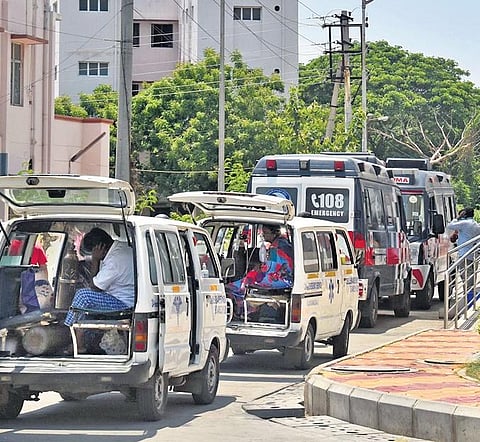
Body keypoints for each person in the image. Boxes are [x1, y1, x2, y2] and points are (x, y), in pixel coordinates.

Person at [64, 227, 134, 327]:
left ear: (99, 247)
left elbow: (94, 287)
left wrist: (95, 260)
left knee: (83, 296)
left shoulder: (114, 261)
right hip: (128, 298)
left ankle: (68, 328)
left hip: (123, 303)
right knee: (86, 309)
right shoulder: (123, 248)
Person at [226, 224, 293, 317]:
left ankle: (242, 311)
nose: (263, 235)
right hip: (286, 277)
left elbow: (271, 268)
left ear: (274, 233)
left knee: (244, 283)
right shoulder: (284, 244)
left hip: (280, 279)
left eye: (265, 233)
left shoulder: (274, 248)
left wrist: (260, 269)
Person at [447, 208, 480, 292]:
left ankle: (468, 296)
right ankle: (470, 295)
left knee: (465, 276)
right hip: (474, 254)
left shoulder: (464, 223)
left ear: (464, 214)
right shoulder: (475, 224)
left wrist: (457, 218)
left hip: (464, 254)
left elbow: (450, 225)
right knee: (471, 276)